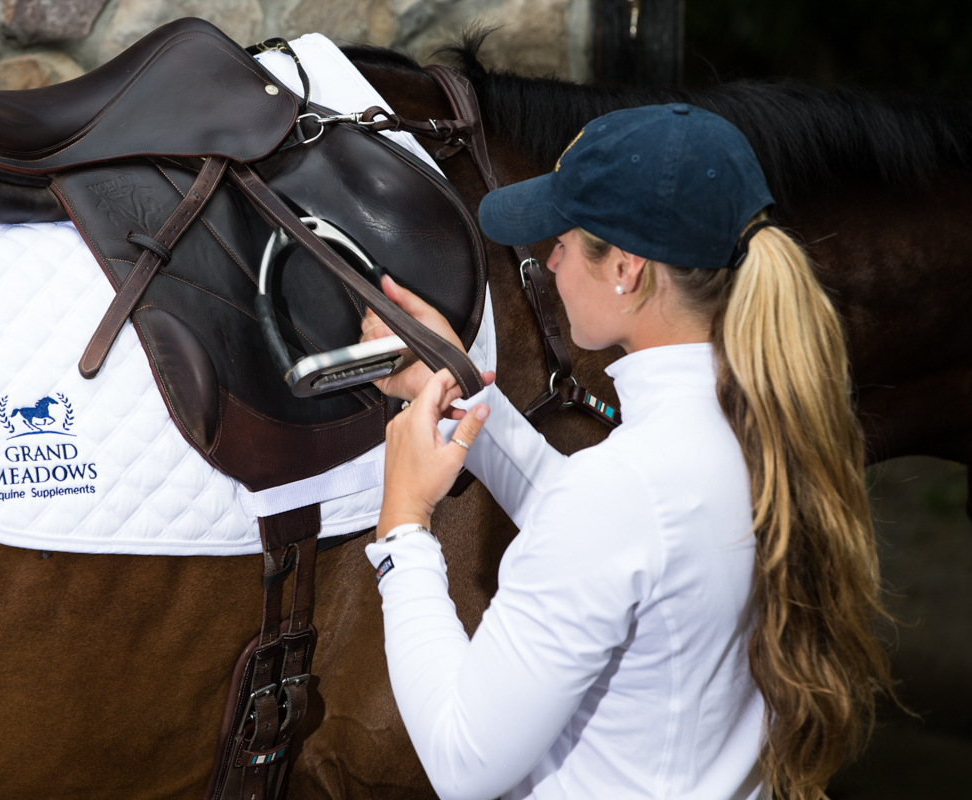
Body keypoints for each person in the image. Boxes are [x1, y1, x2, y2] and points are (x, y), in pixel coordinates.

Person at [361, 104, 892, 800]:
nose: (548, 260)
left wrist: (404, 524)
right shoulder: (760, 428)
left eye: (565, 240)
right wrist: (457, 386)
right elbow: (616, 541)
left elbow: (462, 761)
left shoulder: (624, 491)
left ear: (627, 270)